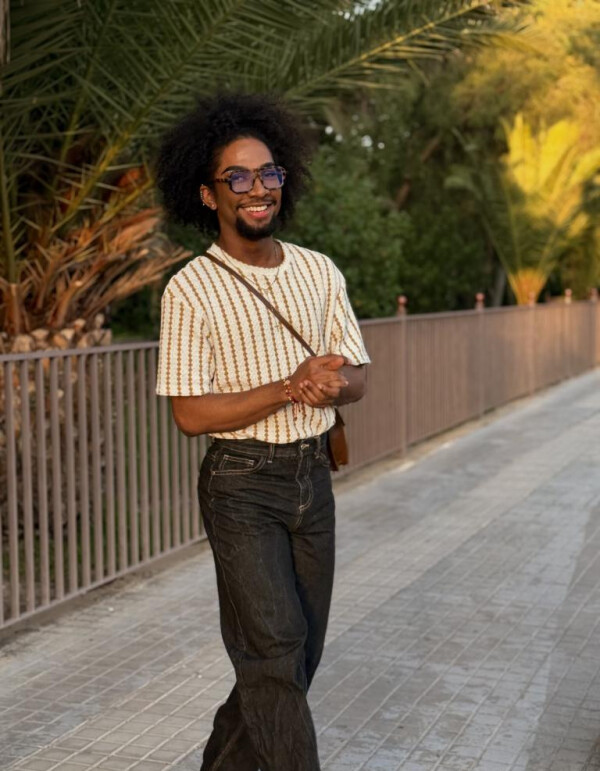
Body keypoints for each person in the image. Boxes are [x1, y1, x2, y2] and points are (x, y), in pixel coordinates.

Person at [155, 92, 370, 771]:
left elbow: (359, 373)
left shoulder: (319, 270)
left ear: (285, 178)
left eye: (269, 172)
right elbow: (190, 414)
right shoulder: (190, 289)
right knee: (274, 653)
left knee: (294, 655)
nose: (257, 188)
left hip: (312, 477)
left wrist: (335, 383)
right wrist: (287, 385)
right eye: (238, 176)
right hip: (241, 486)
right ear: (208, 194)